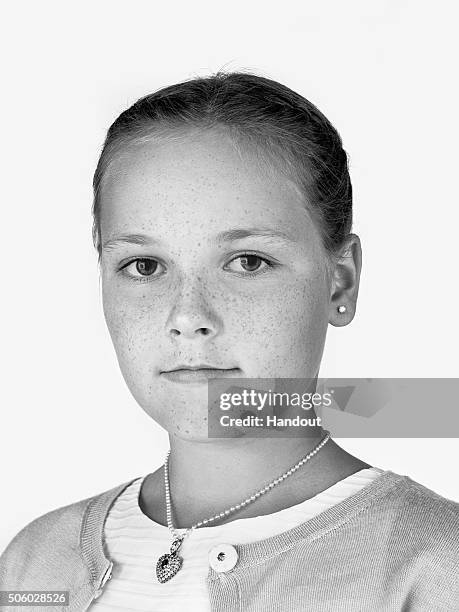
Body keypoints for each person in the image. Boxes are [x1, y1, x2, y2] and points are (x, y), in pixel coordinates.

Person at [0, 71, 458, 611]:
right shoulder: (34, 563)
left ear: (341, 281)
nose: (188, 316)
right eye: (143, 265)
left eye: (247, 262)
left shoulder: (432, 569)